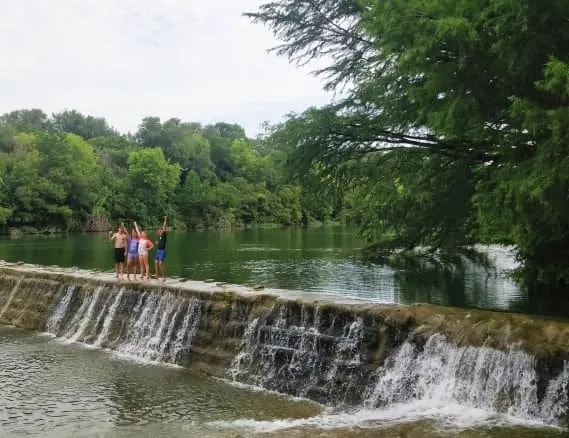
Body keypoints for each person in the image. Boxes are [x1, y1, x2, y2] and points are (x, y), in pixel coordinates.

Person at [154, 216, 168, 281]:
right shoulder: (159, 237)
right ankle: (156, 275)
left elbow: (164, 226)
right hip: (158, 251)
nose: (159, 232)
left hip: (162, 251)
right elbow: (160, 242)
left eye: (160, 230)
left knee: (160, 263)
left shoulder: (164, 234)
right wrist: (157, 243)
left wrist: (165, 219)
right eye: (158, 231)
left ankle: (163, 277)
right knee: (156, 262)